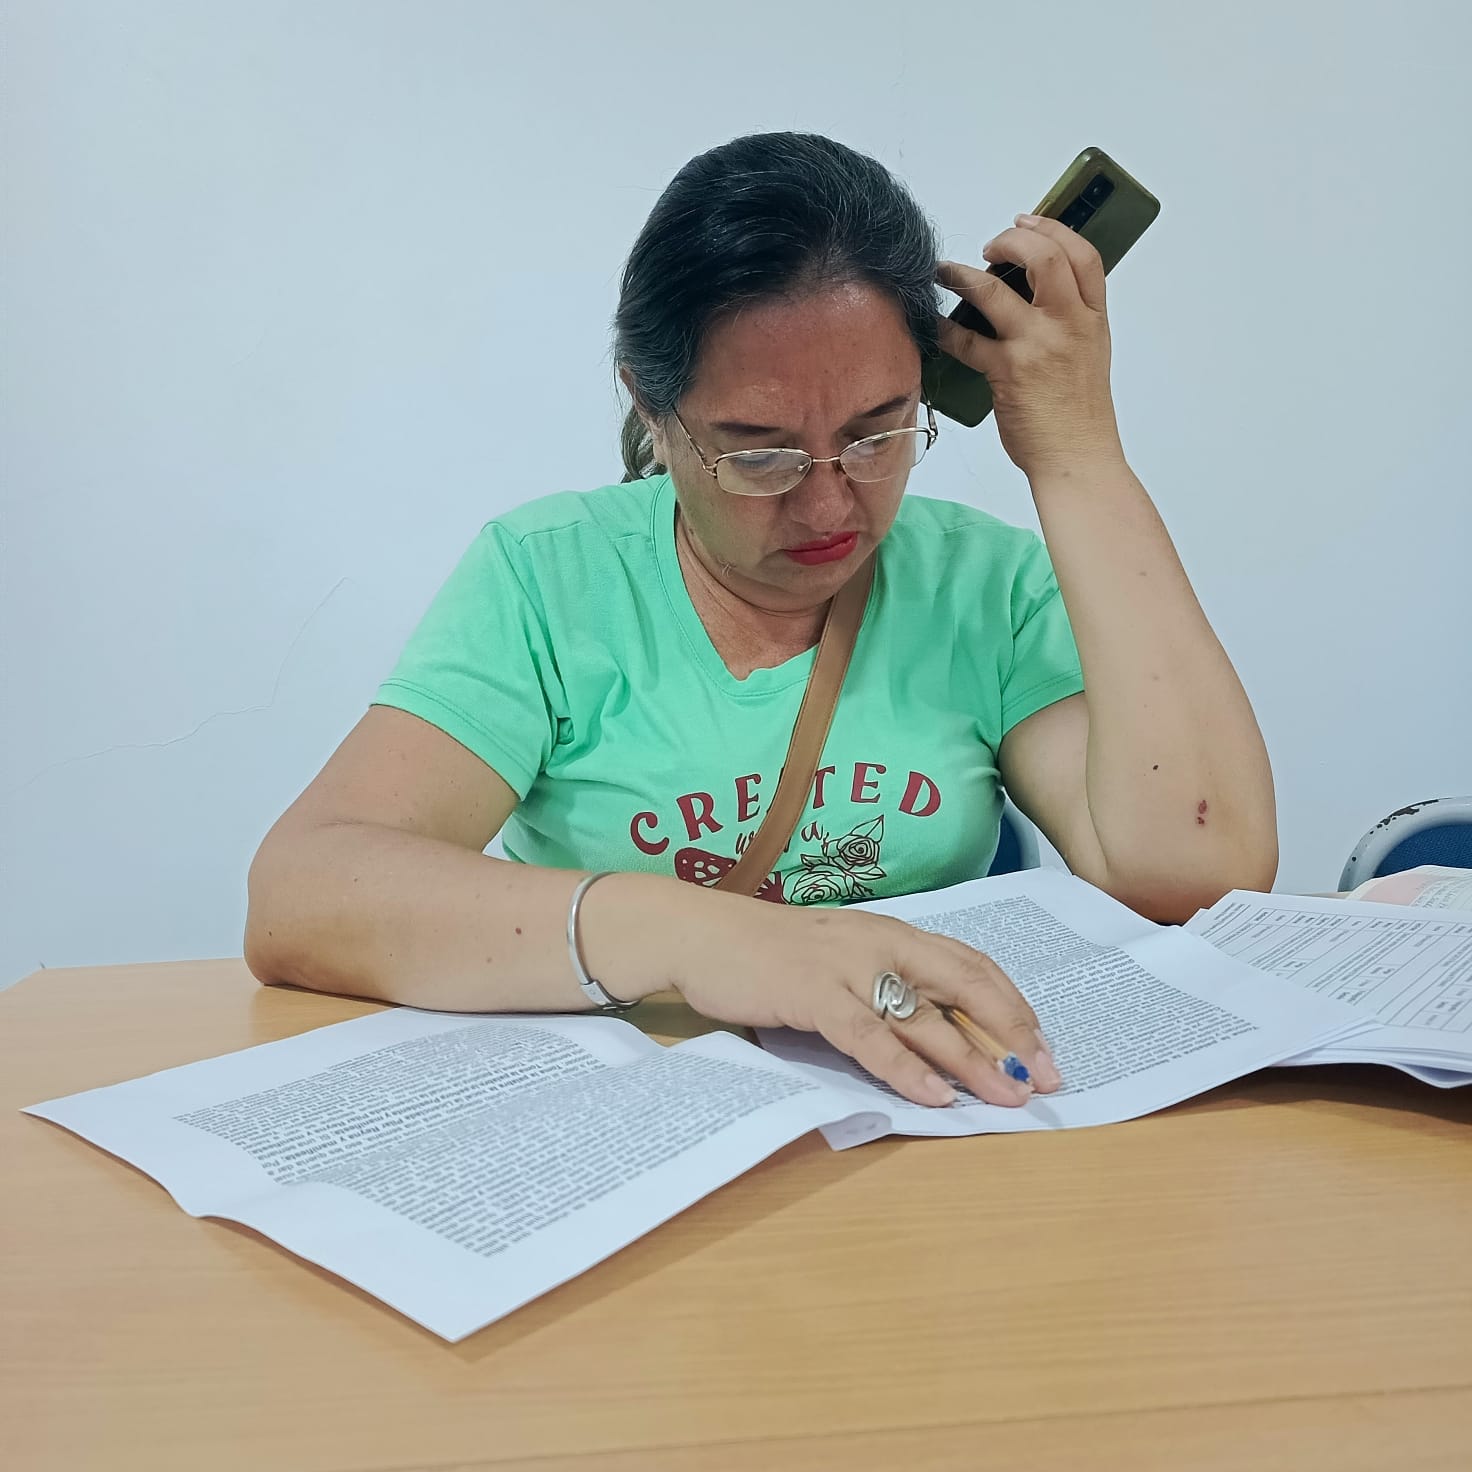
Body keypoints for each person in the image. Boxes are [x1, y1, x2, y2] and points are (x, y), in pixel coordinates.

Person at [245, 132, 1277, 1110]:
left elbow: (1193, 873)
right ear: (651, 411)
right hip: (633, 1117)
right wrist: (705, 938)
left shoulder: (981, 584)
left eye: (877, 434)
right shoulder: (551, 578)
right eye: (758, 453)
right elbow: (303, 895)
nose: (828, 508)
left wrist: (1075, 450)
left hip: (933, 1122)